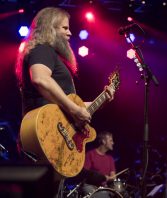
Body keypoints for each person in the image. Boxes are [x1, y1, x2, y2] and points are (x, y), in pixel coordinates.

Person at [15, 6, 115, 197]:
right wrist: (74, 110)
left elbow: (75, 108)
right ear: (50, 28)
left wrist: (101, 99)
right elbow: (40, 79)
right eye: (65, 28)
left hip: (55, 135)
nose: (70, 33)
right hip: (45, 132)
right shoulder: (42, 50)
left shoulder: (50, 55)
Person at [81, 131, 117, 195]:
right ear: (103, 141)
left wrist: (111, 178)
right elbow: (85, 173)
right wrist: (101, 177)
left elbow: (113, 176)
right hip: (90, 186)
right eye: (111, 140)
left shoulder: (110, 159)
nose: (113, 143)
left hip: (104, 188)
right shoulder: (90, 154)